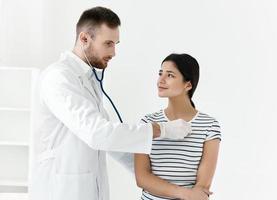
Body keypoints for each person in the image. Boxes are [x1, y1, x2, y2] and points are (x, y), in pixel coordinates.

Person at [30, 7, 192, 200]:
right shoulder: (58, 78)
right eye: (108, 44)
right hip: (60, 191)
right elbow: (98, 133)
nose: (114, 52)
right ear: (84, 39)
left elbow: (112, 145)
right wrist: (162, 129)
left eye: (115, 44)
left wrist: (156, 179)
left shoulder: (87, 80)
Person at [135, 53, 221, 200]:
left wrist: (192, 194)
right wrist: (185, 193)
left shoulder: (209, 125)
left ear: (188, 84)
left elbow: (203, 186)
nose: (160, 80)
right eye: (160, 73)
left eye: (170, 75)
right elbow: (142, 178)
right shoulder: (147, 123)